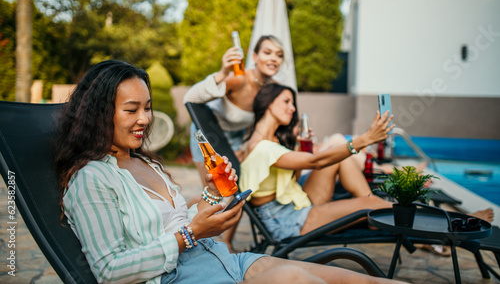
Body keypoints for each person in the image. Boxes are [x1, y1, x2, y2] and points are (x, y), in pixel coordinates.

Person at [53, 60, 404, 284]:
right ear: (100, 113)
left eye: (147, 107)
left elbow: (174, 221)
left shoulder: (142, 162)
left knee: (355, 280)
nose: (144, 119)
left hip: (220, 260)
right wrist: (190, 234)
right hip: (177, 277)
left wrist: (212, 197)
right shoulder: (91, 179)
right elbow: (110, 271)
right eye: (131, 110)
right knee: (296, 277)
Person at [239, 83, 395, 241]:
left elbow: (292, 180)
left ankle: (371, 211)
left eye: (292, 103)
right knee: (374, 203)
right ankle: (396, 219)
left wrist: (300, 151)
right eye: (286, 101)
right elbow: (316, 162)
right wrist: (365, 139)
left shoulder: (268, 142)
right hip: (287, 221)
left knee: (339, 157)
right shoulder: (262, 147)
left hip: (292, 206)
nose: (292, 108)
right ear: (267, 102)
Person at [184, 35, 285, 183]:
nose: (274, 58)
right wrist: (223, 73)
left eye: (279, 55)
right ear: (255, 56)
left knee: (236, 188)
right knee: (214, 189)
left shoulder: (275, 90)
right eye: (267, 52)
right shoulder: (239, 79)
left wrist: (244, 148)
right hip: (208, 133)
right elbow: (190, 98)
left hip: (239, 137)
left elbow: (260, 124)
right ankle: (192, 206)